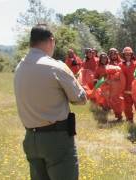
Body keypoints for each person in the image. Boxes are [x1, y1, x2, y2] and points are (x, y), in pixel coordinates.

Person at [14, 24, 87, 180]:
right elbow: (80, 99)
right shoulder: (55, 66)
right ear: (51, 41)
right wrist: (78, 82)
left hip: (31, 138)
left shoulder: (20, 67)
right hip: (56, 139)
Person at [119, 47, 136, 122]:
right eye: (126, 54)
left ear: (131, 55)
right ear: (123, 55)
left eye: (129, 54)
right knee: (127, 106)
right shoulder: (120, 65)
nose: (127, 55)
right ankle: (129, 119)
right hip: (125, 89)